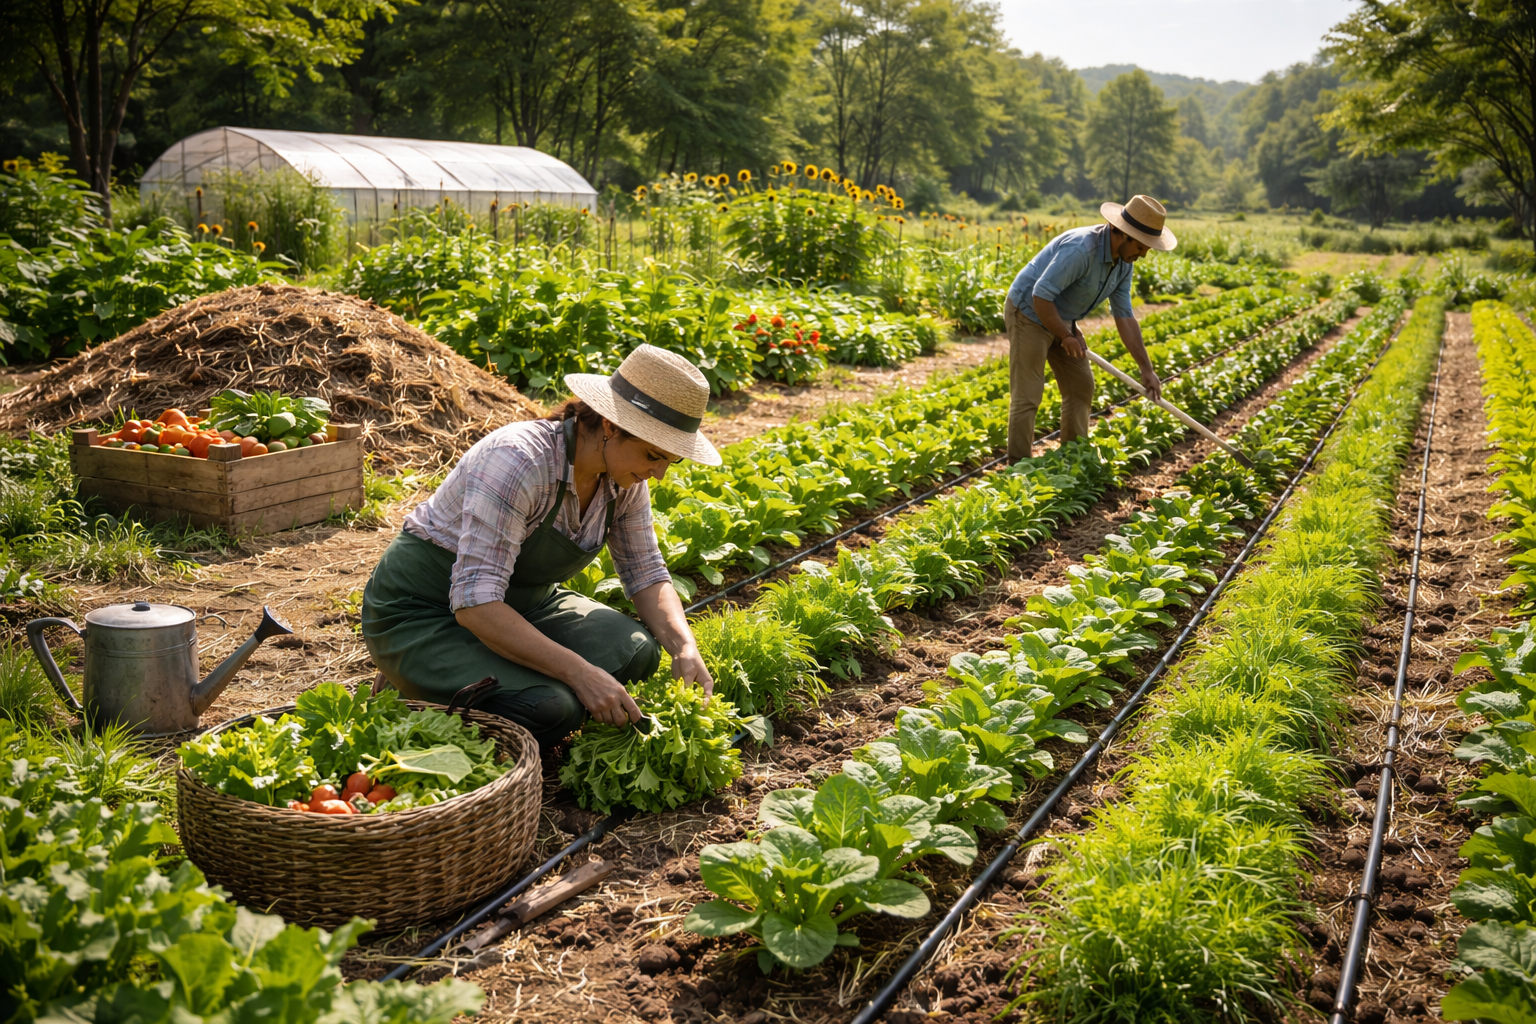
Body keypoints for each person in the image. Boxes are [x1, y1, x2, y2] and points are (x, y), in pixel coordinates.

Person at [360, 344, 721, 752]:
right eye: (654, 455)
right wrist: (580, 673)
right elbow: (475, 603)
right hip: (424, 610)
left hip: (521, 605)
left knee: (637, 652)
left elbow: (646, 571)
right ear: (609, 424)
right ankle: (410, 683)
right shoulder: (519, 462)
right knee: (551, 708)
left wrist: (684, 647)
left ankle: (484, 670)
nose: (657, 474)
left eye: (670, 462)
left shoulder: (624, 480)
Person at [1003, 193, 1178, 462]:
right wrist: (1064, 334)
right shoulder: (1081, 249)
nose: (1143, 254)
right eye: (1142, 246)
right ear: (1121, 232)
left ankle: (1074, 459)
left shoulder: (1124, 263)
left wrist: (1147, 368)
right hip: (1028, 311)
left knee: (1081, 386)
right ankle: (1018, 466)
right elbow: (1041, 295)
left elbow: (1125, 316)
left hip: (1061, 317)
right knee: (1028, 394)